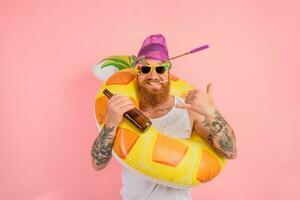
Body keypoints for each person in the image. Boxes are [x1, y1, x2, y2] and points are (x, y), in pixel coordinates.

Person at [91, 34, 238, 200]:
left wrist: (211, 113)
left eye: (160, 69)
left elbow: (230, 152)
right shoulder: (124, 110)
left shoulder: (189, 109)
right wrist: (110, 123)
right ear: (136, 72)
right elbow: (98, 164)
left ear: (168, 71)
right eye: (145, 69)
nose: (153, 76)